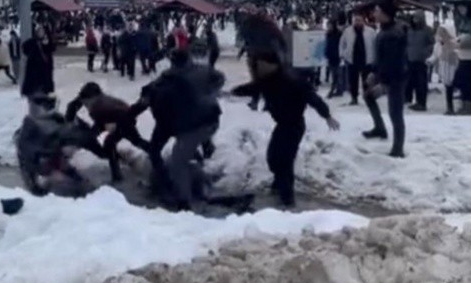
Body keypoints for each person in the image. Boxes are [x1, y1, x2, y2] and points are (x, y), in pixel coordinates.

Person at [232, 51, 339, 207]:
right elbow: (252, 88)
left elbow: (312, 97)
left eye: (260, 65)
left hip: (293, 125)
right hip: (283, 124)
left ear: (271, 65)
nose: (257, 69)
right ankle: (280, 187)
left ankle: (287, 200)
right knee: (274, 159)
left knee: (282, 161)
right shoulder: (268, 79)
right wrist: (234, 91)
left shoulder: (291, 79)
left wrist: (327, 115)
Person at [127, 50, 226, 210]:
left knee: (179, 159)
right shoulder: (164, 81)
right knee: (156, 150)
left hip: (190, 122)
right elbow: (139, 107)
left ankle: (185, 201)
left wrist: (210, 93)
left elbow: (201, 115)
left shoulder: (189, 79)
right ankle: (165, 181)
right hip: (172, 122)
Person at [65, 82, 151, 183]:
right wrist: (70, 118)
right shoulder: (90, 99)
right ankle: (121, 161)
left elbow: (126, 115)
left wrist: (111, 127)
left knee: (116, 142)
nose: (85, 105)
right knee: (109, 142)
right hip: (109, 120)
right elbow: (73, 105)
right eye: (84, 102)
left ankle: (118, 174)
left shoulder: (102, 106)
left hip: (123, 121)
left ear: (94, 97)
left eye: (87, 102)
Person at [363, 0, 408, 158]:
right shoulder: (384, 30)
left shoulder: (393, 34)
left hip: (395, 78)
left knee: (395, 113)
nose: (373, 13)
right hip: (385, 75)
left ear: (385, 13)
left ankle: (398, 149)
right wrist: (373, 72)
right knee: (368, 96)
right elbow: (380, 58)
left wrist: (381, 81)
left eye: (376, 10)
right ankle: (379, 128)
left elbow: (392, 62)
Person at [340, 13, 377, 105]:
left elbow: (376, 45)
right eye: (356, 20)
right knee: (353, 81)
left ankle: (368, 97)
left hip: (367, 59)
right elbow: (342, 43)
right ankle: (354, 98)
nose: (357, 22)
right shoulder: (347, 31)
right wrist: (343, 54)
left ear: (363, 21)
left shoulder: (371, 31)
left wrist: (376, 57)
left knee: (367, 80)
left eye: (359, 20)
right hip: (352, 59)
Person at [405, 12, 435, 111]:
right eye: (414, 18)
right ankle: (410, 99)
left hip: (422, 60)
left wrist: (426, 52)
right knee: (410, 81)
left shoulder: (427, 30)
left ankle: (421, 103)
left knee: (421, 83)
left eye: (417, 18)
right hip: (410, 59)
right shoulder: (409, 30)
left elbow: (432, 43)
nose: (415, 20)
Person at [427, 27, 459, 115]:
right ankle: (450, 108)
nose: (438, 36)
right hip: (444, 68)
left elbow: (457, 54)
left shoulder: (453, 43)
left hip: (452, 68)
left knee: (451, 88)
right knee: (448, 88)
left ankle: (453, 108)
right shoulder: (437, 45)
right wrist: (430, 61)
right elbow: (435, 55)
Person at [21, 24, 55, 103]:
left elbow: (52, 48)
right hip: (34, 75)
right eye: (39, 31)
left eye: (42, 31)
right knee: (35, 99)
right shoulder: (32, 42)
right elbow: (24, 48)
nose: (41, 33)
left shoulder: (47, 42)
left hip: (45, 76)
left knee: (44, 97)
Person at [325, 19, 344, 98]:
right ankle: (336, 89)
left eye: (330, 25)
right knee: (334, 74)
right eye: (328, 25)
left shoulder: (339, 34)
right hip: (331, 56)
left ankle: (337, 90)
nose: (329, 27)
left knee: (338, 74)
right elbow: (327, 45)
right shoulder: (328, 34)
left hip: (337, 56)